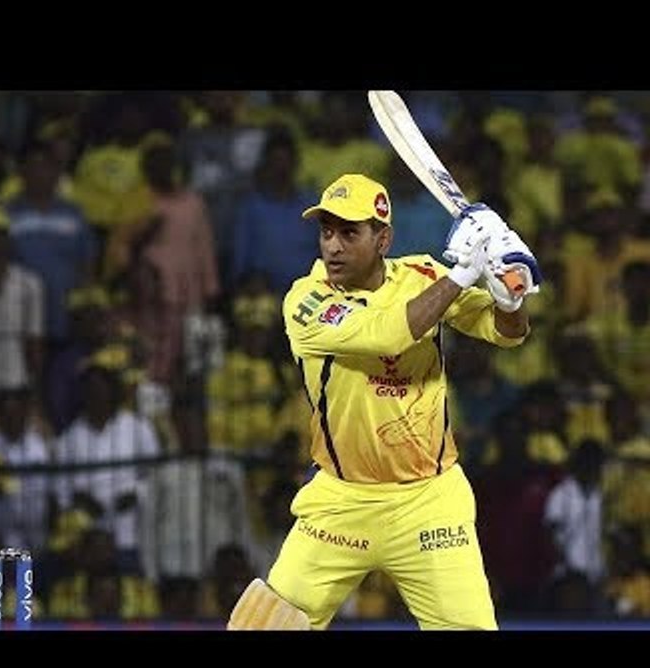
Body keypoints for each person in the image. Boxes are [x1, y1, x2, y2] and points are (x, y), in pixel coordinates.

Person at [226, 173, 542, 630]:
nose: (333, 246)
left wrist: (509, 293)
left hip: (429, 500)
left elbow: (508, 334)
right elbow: (385, 335)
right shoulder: (306, 300)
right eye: (326, 232)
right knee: (265, 623)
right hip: (341, 501)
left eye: (349, 233)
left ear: (383, 240)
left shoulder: (423, 276)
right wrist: (463, 273)